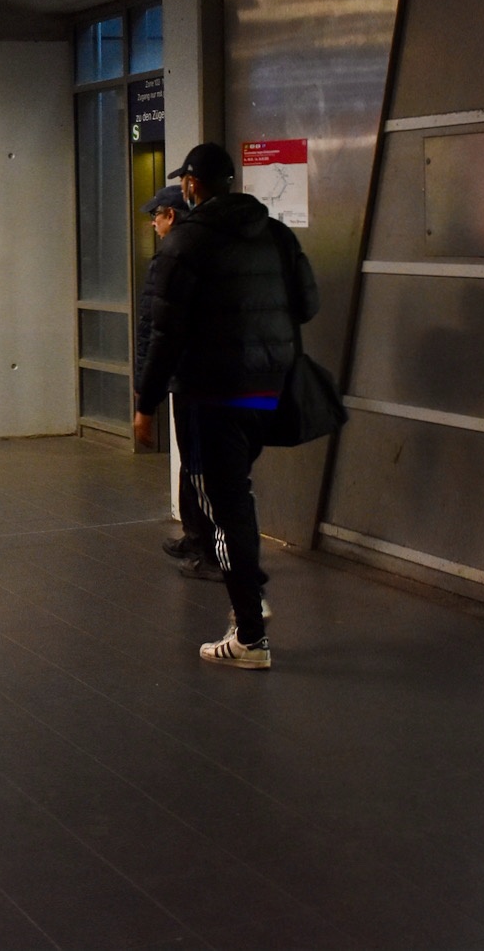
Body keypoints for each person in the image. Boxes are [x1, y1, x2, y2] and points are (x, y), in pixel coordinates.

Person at [135, 143, 316, 671]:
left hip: (213, 391)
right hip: (267, 386)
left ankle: (250, 635)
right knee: (238, 495)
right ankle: (250, 598)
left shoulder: (184, 243)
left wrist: (147, 403)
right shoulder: (276, 234)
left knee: (226, 504)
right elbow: (308, 304)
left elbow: (166, 333)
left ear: (192, 185)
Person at [136, 183, 216, 571]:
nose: (153, 223)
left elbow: (157, 328)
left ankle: (212, 551)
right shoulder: (202, 252)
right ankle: (196, 535)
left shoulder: (174, 258)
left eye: (156, 216)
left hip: (192, 377)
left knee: (202, 465)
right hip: (196, 375)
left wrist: (145, 391)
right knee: (193, 461)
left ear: (171, 215)